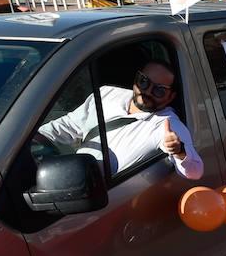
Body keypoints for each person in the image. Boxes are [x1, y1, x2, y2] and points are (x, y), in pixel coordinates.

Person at [34, 59, 203, 179]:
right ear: (136, 79)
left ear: (170, 96)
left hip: (109, 196)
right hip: (68, 179)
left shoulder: (168, 124)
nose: (148, 91)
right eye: (144, 82)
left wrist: (179, 152)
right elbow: (66, 126)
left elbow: (195, 171)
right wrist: (31, 142)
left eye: (159, 90)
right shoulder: (107, 93)